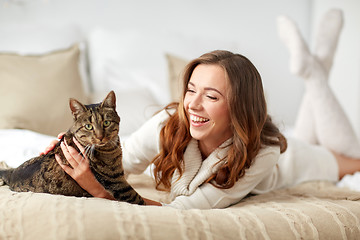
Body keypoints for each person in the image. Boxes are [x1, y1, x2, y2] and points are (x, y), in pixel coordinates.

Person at [42, 9, 360, 209]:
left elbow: (184, 211)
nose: (191, 104)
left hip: (294, 162)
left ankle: (315, 74)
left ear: (239, 106)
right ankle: (318, 68)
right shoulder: (167, 125)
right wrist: (75, 156)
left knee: (352, 157)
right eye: (190, 90)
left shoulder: (266, 152)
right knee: (313, 127)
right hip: (277, 141)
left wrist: (100, 192)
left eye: (211, 96)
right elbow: (120, 163)